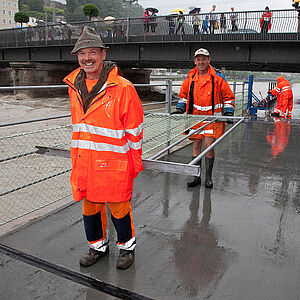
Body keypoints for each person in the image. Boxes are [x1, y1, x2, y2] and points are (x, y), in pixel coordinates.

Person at [63, 26, 144, 270]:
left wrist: (134, 163)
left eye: (92, 52)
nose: (87, 58)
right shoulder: (73, 86)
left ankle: (126, 248)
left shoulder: (123, 88)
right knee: (89, 207)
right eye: (82, 53)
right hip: (85, 163)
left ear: (103, 54)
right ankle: (98, 246)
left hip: (114, 164)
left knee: (119, 207)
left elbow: (135, 131)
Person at [171, 48, 235, 188]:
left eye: (204, 59)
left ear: (208, 60)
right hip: (195, 119)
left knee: (208, 147)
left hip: (212, 119)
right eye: (198, 59)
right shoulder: (190, 78)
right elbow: (183, 96)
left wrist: (229, 112)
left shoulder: (218, 78)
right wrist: (180, 109)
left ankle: (208, 178)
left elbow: (228, 97)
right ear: (195, 61)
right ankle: (196, 177)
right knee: (196, 146)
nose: (201, 62)